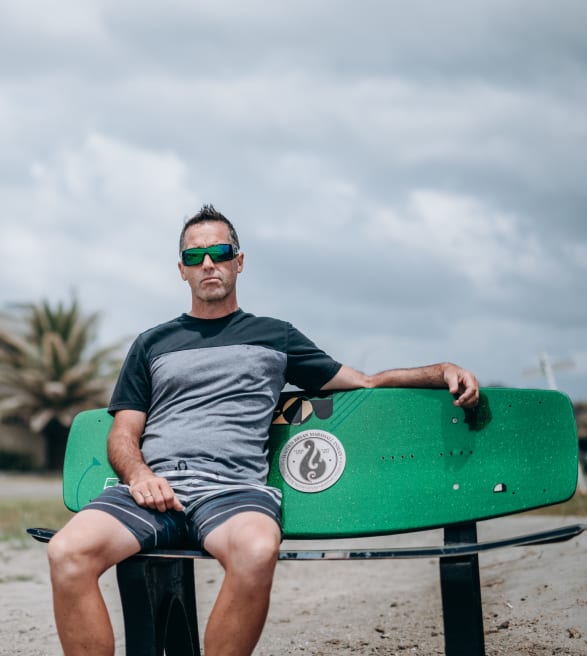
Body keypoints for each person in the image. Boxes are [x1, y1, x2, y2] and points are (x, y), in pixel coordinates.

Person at [46, 205, 480, 656]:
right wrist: (139, 477)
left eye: (219, 252)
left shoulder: (275, 336)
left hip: (232, 492)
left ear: (239, 260)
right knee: (66, 553)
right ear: (181, 270)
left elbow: (364, 382)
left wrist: (442, 369)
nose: (208, 264)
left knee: (256, 551)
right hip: (154, 490)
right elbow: (122, 434)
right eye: (195, 257)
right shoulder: (152, 343)